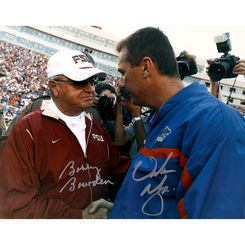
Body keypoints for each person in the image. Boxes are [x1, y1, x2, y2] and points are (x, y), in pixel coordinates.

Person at [109, 27, 245, 219]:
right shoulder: (165, 115)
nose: (121, 83)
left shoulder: (216, 122)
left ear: (146, 67)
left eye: (123, 72)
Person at [0, 49, 130, 219]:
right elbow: (13, 203)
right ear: (55, 87)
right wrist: (77, 216)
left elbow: (121, 171)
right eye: (80, 82)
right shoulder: (29, 129)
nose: (91, 89)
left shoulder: (96, 128)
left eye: (92, 81)